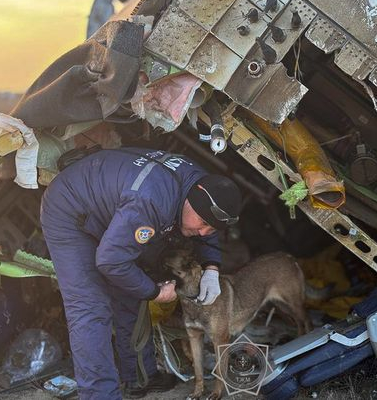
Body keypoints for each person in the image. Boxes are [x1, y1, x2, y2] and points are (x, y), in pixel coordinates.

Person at [40, 147, 243, 399]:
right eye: (202, 224)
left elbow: (206, 226)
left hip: (112, 206)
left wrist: (212, 267)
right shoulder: (151, 202)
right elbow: (111, 261)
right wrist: (155, 292)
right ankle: (100, 395)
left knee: (129, 290)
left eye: (211, 229)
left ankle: (140, 378)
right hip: (70, 210)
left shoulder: (202, 185)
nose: (203, 233)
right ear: (191, 201)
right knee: (90, 308)